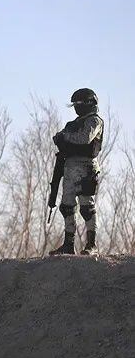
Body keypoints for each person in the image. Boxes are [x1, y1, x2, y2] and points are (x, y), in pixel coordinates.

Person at [50, 88, 104, 255]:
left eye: (79, 104)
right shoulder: (73, 124)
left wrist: (64, 137)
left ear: (89, 103)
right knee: (67, 206)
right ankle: (68, 244)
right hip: (70, 167)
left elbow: (84, 138)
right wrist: (62, 138)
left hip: (87, 167)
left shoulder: (95, 121)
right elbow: (61, 140)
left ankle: (91, 244)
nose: (76, 108)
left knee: (86, 206)